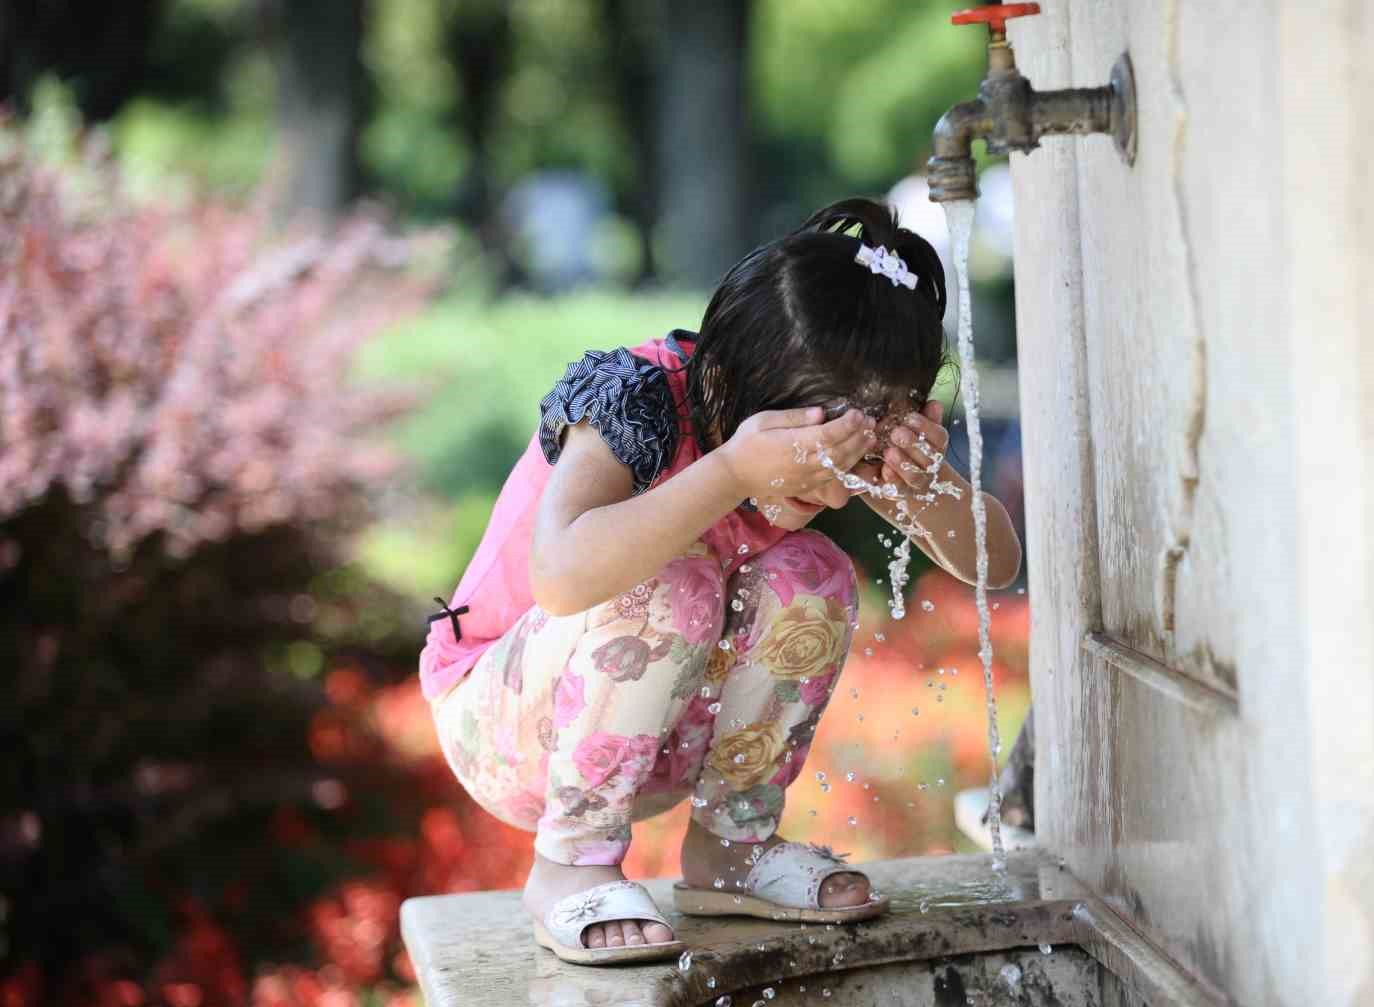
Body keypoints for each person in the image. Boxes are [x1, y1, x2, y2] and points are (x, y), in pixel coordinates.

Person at [420, 196, 1023, 965]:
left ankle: (732, 849)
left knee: (815, 572)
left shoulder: (824, 410)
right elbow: (563, 579)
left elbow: (993, 565)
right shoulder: (634, 401)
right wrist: (732, 468)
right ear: (728, 394)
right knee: (677, 583)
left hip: (658, 743)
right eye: (828, 467)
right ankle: (569, 862)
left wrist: (911, 482)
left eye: (856, 469)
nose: (839, 494)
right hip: (505, 726)